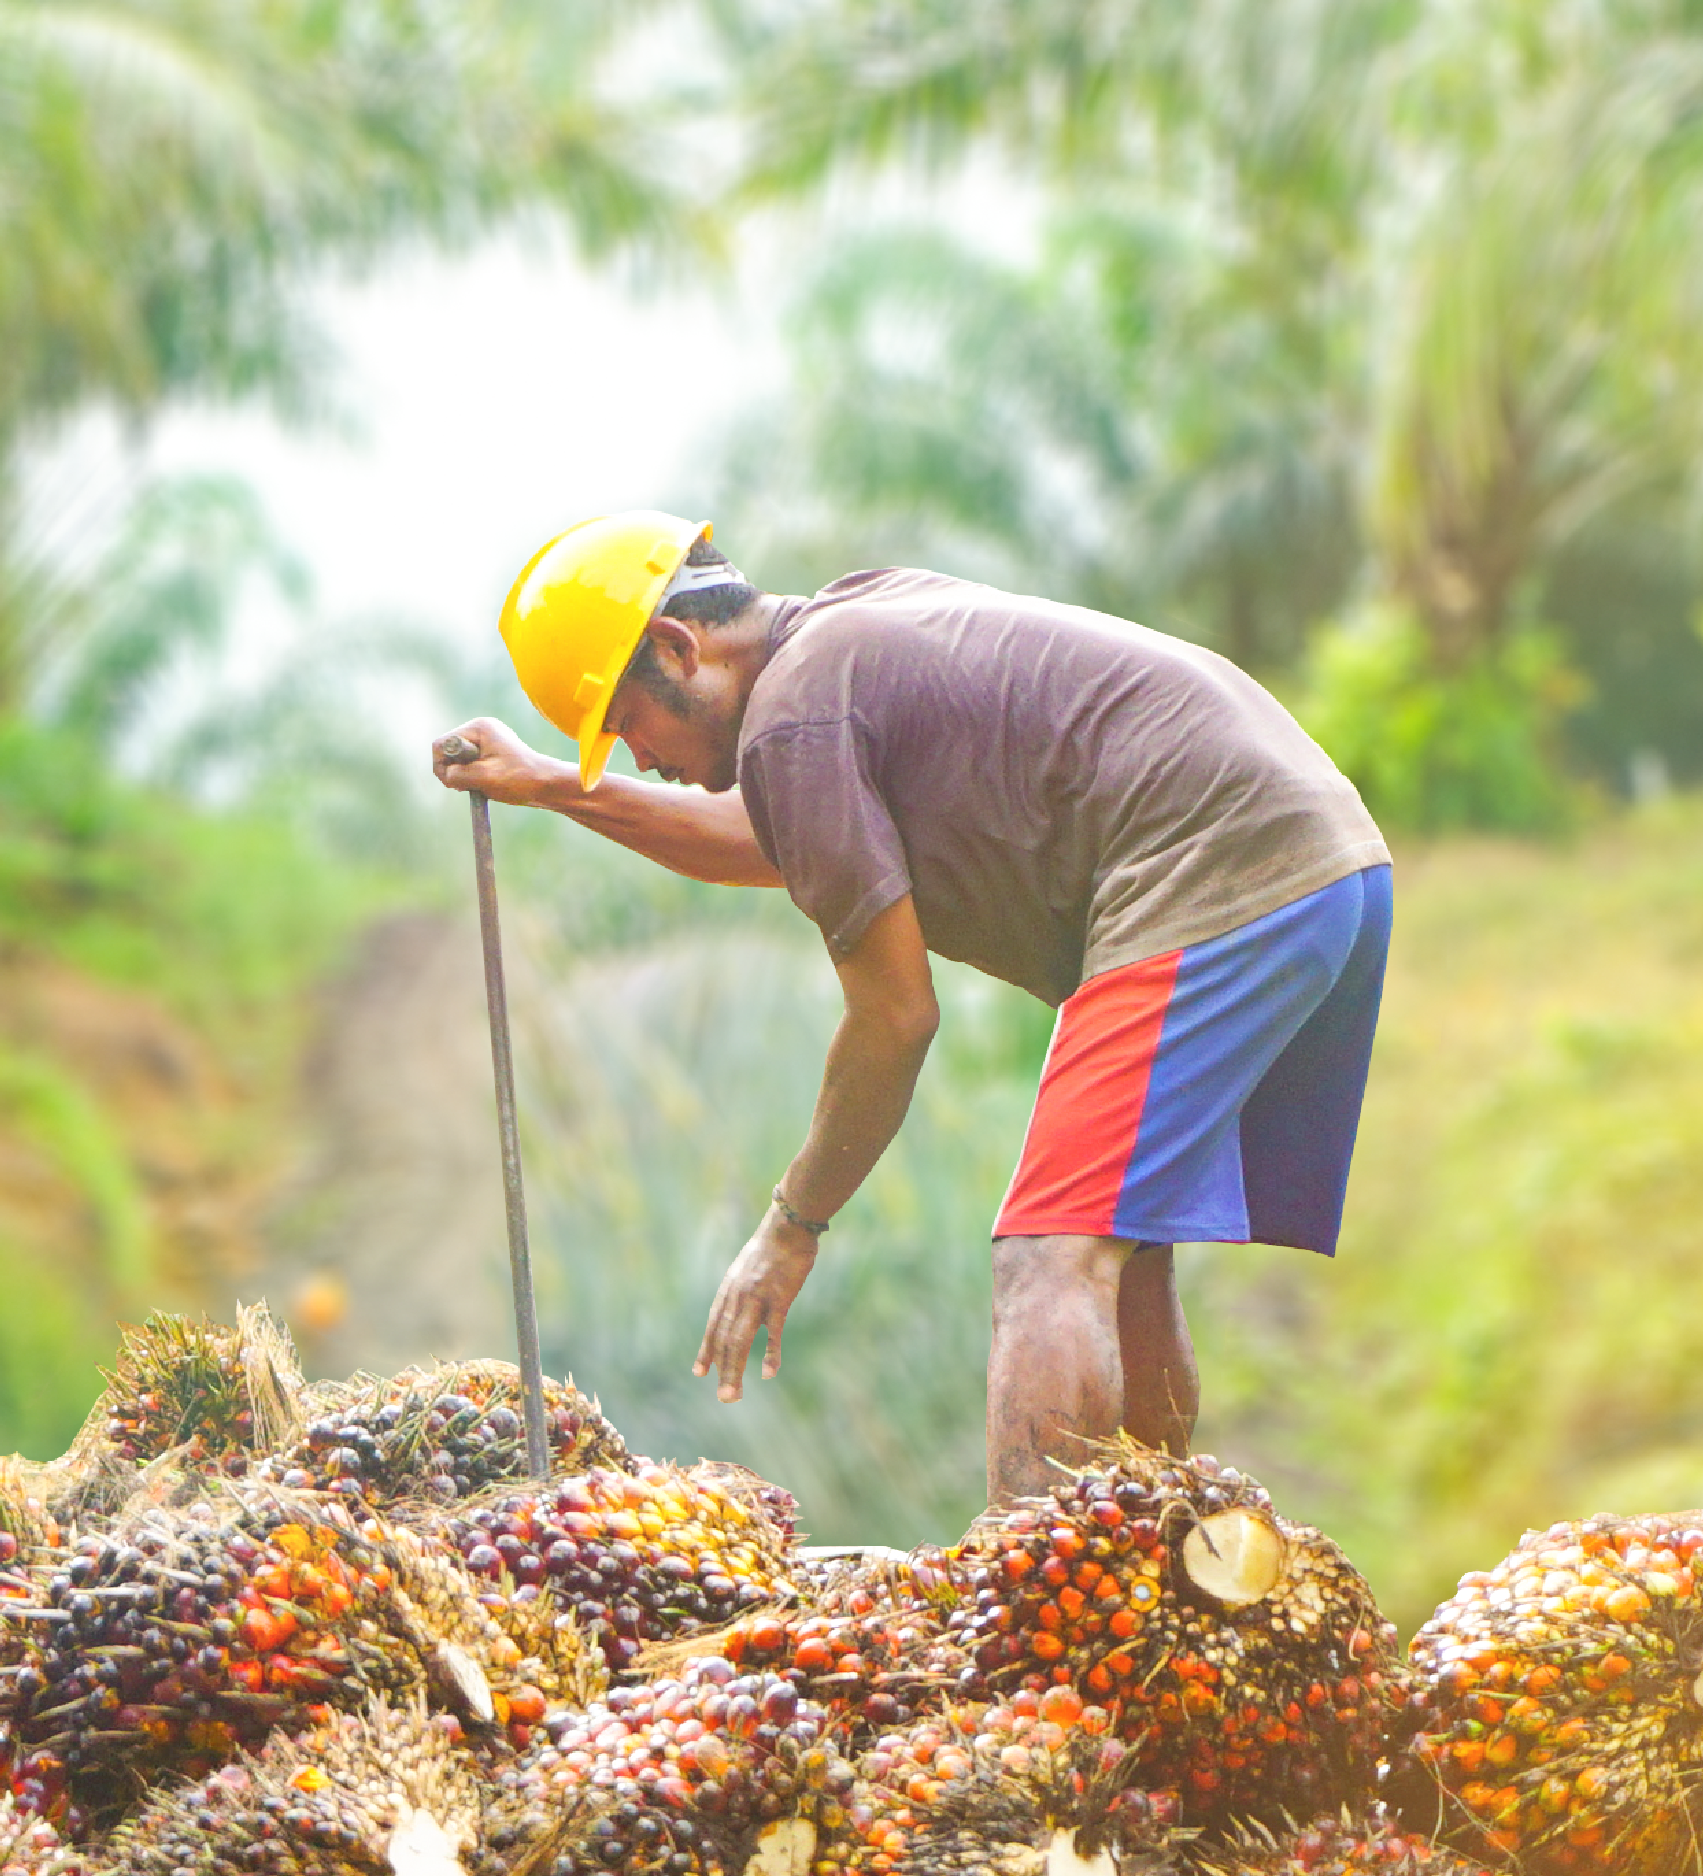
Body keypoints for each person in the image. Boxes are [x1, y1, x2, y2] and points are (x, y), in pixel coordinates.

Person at [433, 512, 1390, 1501]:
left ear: (677, 648)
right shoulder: (841, 638)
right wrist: (550, 788)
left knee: (1046, 1257)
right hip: (1324, 863)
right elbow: (764, 839)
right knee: (1119, 1252)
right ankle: (1173, 1566)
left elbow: (894, 1016)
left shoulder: (795, 715)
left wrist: (790, 1225)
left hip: (1216, 870)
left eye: (626, 722)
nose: (634, 757)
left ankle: (1034, 1615)